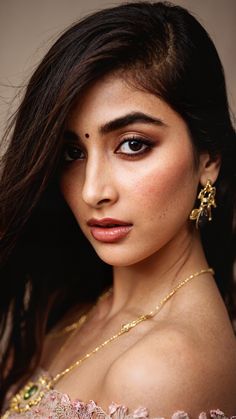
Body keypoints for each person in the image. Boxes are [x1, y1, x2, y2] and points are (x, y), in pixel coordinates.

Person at [0, 1, 236, 417]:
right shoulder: (78, 307)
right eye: (73, 152)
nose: (92, 191)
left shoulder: (165, 365)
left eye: (133, 144)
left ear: (208, 159)